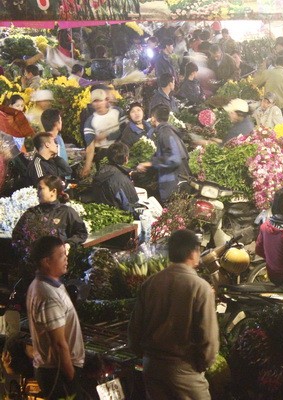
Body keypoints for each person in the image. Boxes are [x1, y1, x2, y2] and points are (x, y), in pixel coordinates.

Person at [128, 229, 219, 399]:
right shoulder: (200, 287)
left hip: (152, 367)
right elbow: (209, 337)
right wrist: (202, 365)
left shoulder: (151, 283)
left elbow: (134, 329)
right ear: (193, 252)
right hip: (184, 370)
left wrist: (146, 356)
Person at [26, 236, 86, 399]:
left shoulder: (46, 285)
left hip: (58, 371)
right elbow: (59, 344)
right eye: (61, 255)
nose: (66, 259)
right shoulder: (47, 295)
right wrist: (72, 378)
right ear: (46, 261)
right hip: (58, 373)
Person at [13, 175, 88, 256]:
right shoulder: (31, 213)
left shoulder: (66, 212)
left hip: (57, 262)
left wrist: (68, 244)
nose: (37, 192)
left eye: (41, 188)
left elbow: (81, 233)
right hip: (34, 262)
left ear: (53, 191)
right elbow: (17, 235)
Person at [136, 105, 191, 202]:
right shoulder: (169, 131)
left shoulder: (165, 133)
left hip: (174, 183)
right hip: (178, 181)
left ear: (153, 118)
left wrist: (150, 163)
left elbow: (174, 159)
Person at [81, 89, 127, 177]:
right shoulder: (90, 121)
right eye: (95, 101)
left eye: (100, 100)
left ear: (106, 100)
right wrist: (87, 167)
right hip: (103, 155)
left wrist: (107, 135)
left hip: (120, 152)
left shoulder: (118, 112)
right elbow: (90, 147)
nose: (97, 104)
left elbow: (125, 131)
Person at [93, 142, 139, 213]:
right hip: (120, 217)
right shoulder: (122, 180)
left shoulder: (100, 172)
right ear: (126, 159)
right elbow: (130, 207)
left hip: (101, 212)